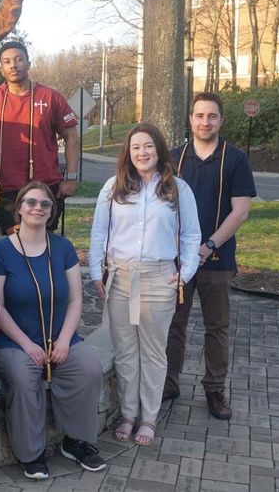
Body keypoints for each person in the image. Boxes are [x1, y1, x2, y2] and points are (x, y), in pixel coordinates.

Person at [89, 123, 200, 446]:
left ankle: (148, 418)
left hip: (158, 278)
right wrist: (97, 272)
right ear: (128, 152)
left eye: (148, 146)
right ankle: (127, 413)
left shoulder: (178, 189)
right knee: (125, 351)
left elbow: (192, 235)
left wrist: (186, 271)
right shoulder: (114, 187)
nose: (142, 153)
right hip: (122, 278)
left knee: (152, 352)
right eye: (136, 147)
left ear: (159, 150)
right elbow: (100, 233)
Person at [0, 182, 107, 480]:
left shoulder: (63, 247)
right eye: (30, 202)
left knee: (89, 369)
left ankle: (75, 441)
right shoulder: (2, 250)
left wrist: (65, 340)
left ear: (51, 212)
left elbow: (76, 298)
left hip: (59, 336)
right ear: (18, 208)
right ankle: (32, 453)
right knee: (23, 375)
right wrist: (27, 345)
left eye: (44, 204)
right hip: (13, 341)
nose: (37, 208)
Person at [163, 92, 256, 420]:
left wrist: (209, 245)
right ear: (190, 119)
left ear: (220, 120)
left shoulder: (235, 159)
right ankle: (169, 383)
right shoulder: (173, 159)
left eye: (212, 116)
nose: (205, 122)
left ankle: (215, 389)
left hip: (217, 259)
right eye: (200, 115)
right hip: (177, 260)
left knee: (216, 327)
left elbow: (240, 211)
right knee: (174, 323)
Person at [0, 41, 80, 235]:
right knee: (19, 242)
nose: (13, 65)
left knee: (43, 242)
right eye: (7, 62)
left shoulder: (50, 97)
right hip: (7, 188)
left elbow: (71, 137)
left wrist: (70, 177)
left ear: (28, 63)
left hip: (47, 185)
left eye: (19, 60)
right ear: (2, 68)